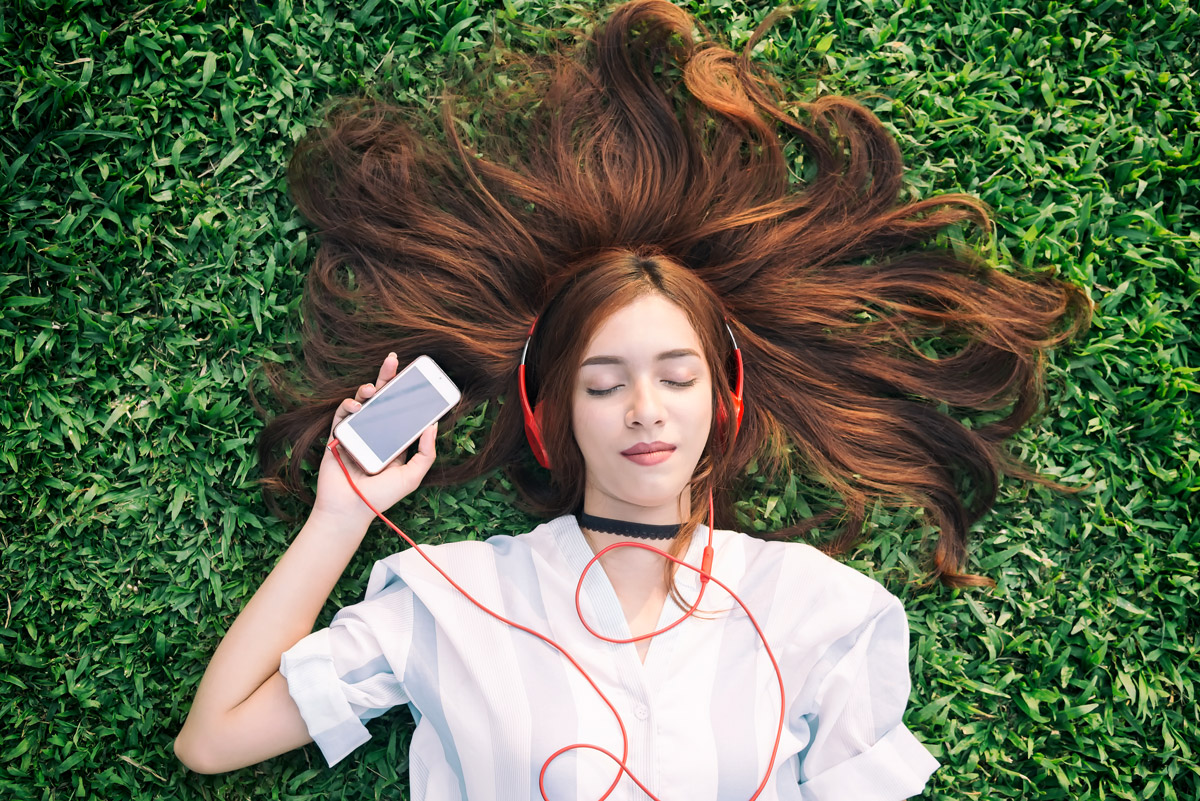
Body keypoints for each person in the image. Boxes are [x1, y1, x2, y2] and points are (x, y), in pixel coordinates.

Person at [173, 0, 1089, 798]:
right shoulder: (451, 597)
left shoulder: (820, 612)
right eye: (602, 384)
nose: (644, 408)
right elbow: (213, 739)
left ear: (722, 398)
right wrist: (342, 515)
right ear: (551, 412)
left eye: (676, 376)